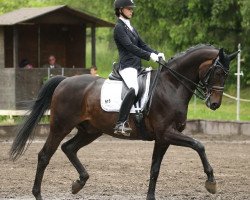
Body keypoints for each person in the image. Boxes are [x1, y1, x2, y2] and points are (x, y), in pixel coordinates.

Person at [113, 0, 165, 135]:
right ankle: (120, 123)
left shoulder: (130, 27)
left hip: (137, 67)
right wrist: (149, 56)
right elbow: (130, 47)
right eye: (128, 9)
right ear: (120, 10)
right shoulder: (118, 28)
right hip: (127, 66)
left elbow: (142, 44)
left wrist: (156, 53)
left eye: (131, 9)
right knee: (134, 89)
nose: (131, 11)